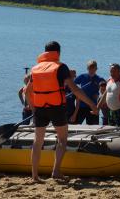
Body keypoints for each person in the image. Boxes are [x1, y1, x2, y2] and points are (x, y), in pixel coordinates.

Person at [25, 41, 98, 181]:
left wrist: (34, 108)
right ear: (58, 53)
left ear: (45, 52)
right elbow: (75, 89)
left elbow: (27, 91)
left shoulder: (35, 68)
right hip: (57, 107)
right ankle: (56, 171)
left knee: (37, 141)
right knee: (62, 139)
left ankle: (34, 176)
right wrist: (92, 105)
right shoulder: (61, 67)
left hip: (40, 108)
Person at [74, 60, 105, 124]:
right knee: (76, 124)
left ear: (96, 69)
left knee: (94, 127)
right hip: (81, 106)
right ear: (87, 68)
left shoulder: (99, 79)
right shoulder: (82, 76)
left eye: (93, 67)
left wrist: (99, 95)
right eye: (90, 67)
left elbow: (106, 90)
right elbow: (72, 84)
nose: (91, 69)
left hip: (93, 106)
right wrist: (78, 92)